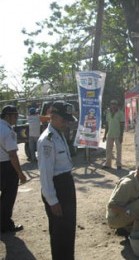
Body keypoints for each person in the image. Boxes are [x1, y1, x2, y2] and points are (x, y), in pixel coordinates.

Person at [37, 101, 76, 260]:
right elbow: (45, 174)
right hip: (57, 188)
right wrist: (52, 200)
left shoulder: (59, 134)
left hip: (66, 185)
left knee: (69, 229)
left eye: (68, 120)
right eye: (63, 119)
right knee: (60, 233)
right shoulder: (47, 140)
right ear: (52, 117)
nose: (66, 123)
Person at [0, 105, 27, 233]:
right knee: (8, 197)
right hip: (6, 167)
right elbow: (12, 155)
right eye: (15, 115)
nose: (17, 118)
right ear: (8, 116)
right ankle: (5, 225)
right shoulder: (7, 131)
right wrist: (20, 173)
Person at [103, 100, 125, 171]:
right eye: (112, 104)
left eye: (114, 104)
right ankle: (108, 164)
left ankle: (118, 165)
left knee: (118, 150)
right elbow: (107, 125)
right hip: (110, 134)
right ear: (110, 105)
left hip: (118, 134)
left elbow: (122, 125)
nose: (113, 105)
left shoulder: (120, 113)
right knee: (108, 150)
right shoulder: (108, 113)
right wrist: (104, 135)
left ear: (117, 105)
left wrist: (121, 135)